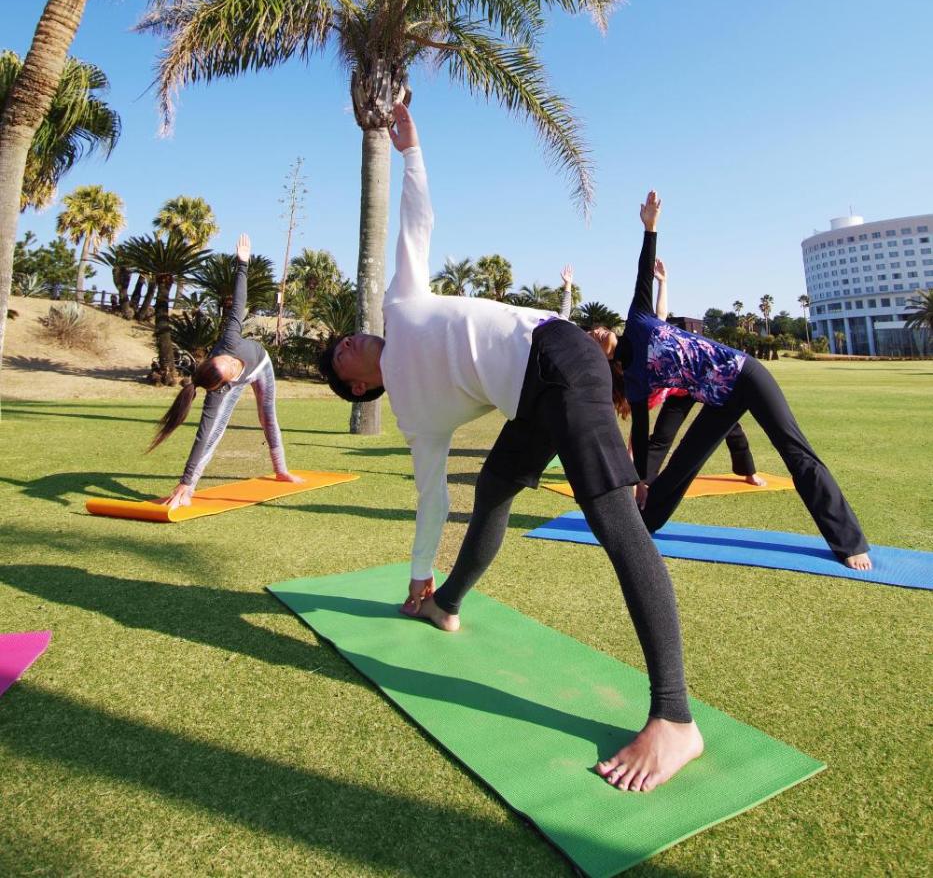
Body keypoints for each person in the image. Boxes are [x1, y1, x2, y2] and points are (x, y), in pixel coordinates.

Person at [320, 105, 703, 792]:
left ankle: (675, 718)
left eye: (343, 338)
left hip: (559, 356)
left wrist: (412, 152)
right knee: (492, 488)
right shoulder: (415, 418)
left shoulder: (399, 305)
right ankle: (445, 603)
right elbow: (431, 497)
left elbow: (416, 223)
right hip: (531, 396)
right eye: (339, 354)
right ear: (357, 387)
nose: (345, 341)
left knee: (614, 519)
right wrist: (419, 575)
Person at [605, 194, 871, 570]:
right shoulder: (635, 381)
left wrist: (650, 229)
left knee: (796, 452)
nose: (594, 333)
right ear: (604, 363)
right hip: (720, 398)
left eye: (594, 330)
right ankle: (645, 521)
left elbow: (643, 270)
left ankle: (848, 542)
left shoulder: (638, 318)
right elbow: (643, 437)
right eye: (590, 338)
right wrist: (641, 482)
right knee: (683, 461)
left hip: (745, 373)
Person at [152, 233, 301, 508]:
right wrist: (186, 481)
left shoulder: (229, 340)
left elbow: (239, 303)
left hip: (262, 364)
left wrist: (242, 263)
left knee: (267, 415)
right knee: (214, 433)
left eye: (228, 361)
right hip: (235, 385)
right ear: (223, 383)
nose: (233, 362)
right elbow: (202, 436)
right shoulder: (218, 392)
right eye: (230, 368)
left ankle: (281, 470)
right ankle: (189, 489)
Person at [644, 259, 764, 488]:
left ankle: (748, 472)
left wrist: (663, 282)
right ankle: (644, 481)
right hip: (681, 389)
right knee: (662, 435)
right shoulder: (643, 344)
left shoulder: (657, 333)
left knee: (732, 428)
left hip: (707, 382)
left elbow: (661, 314)